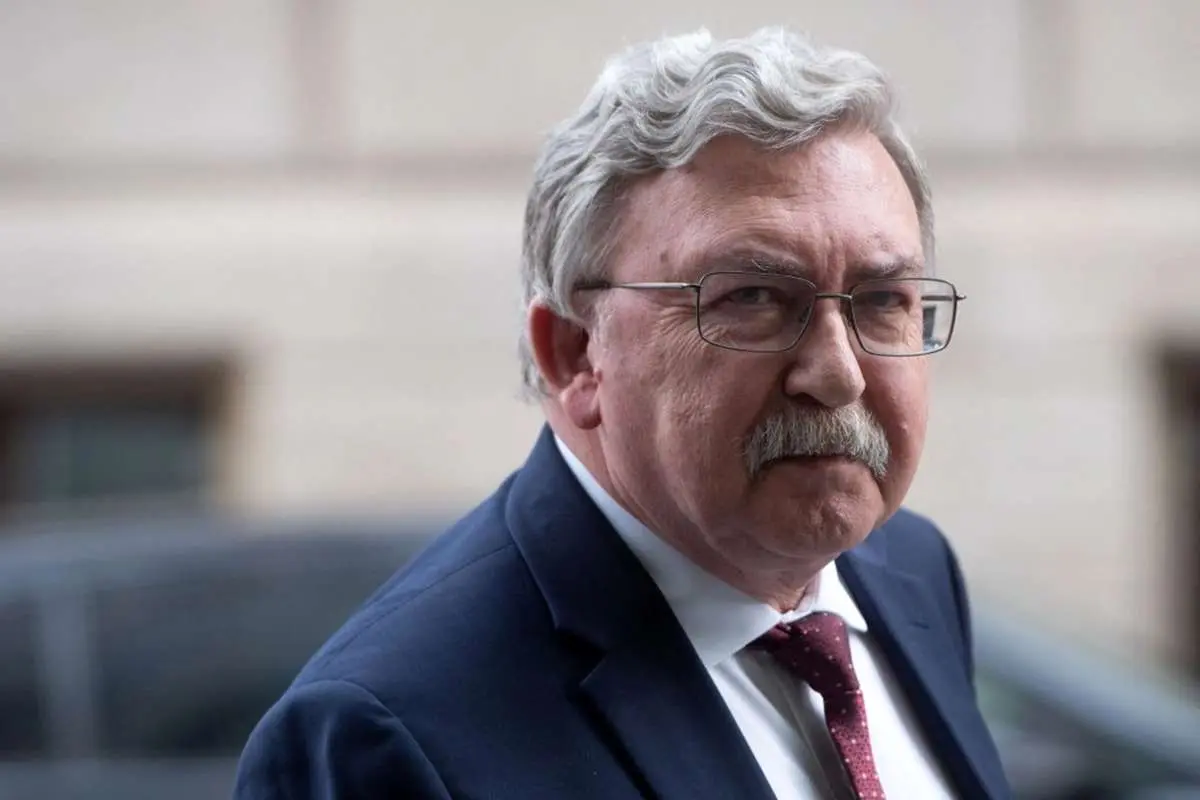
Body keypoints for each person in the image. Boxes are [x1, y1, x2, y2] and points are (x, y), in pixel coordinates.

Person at [234, 26, 1011, 800]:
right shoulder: (381, 734)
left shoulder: (909, 572)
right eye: (753, 298)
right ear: (576, 353)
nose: (836, 374)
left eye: (882, 300)